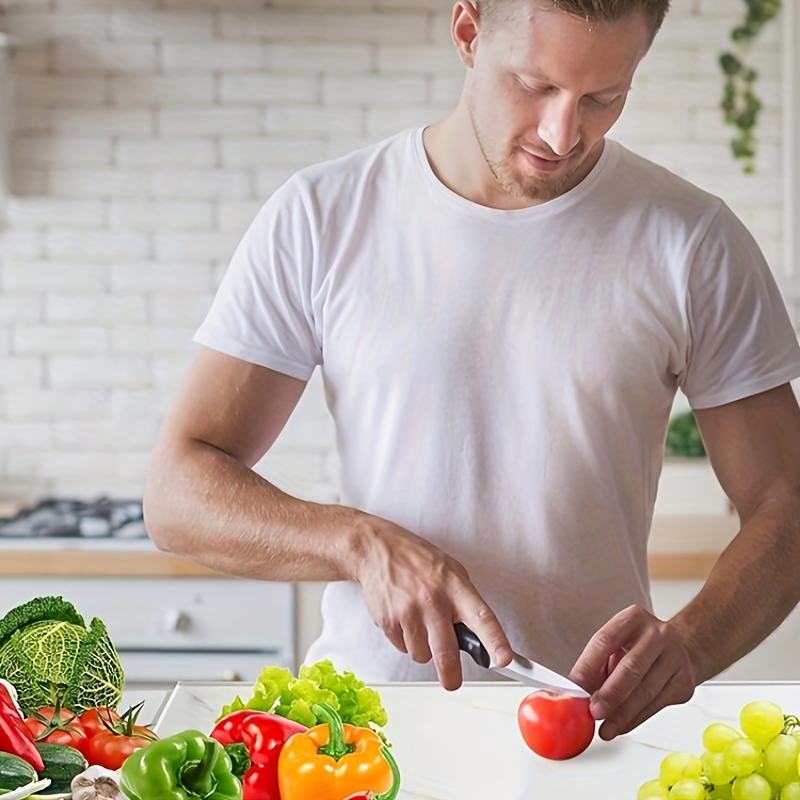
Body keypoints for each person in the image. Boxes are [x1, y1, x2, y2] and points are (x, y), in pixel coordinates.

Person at [144, 0, 800, 743]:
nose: (562, 134)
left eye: (601, 98)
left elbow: (787, 507)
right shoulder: (323, 216)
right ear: (467, 32)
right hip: (363, 735)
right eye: (534, 85)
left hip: (585, 735)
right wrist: (358, 544)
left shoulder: (693, 242)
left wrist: (691, 646)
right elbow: (176, 492)